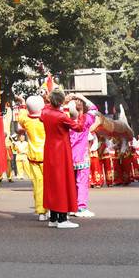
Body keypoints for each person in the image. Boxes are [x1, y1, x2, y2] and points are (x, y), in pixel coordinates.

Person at [40, 89, 87, 229]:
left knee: (53, 183)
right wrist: (81, 112)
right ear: (60, 102)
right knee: (62, 183)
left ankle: (53, 217)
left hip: (49, 150)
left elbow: (46, 107)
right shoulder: (61, 116)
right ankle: (62, 219)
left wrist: (61, 101)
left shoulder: (45, 113)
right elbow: (79, 127)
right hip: (61, 151)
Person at [67, 93, 99, 218]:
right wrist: (81, 97)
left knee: (70, 183)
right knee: (82, 182)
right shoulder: (85, 120)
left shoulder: (64, 121)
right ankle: (81, 207)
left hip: (69, 158)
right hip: (82, 158)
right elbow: (94, 109)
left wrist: (65, 102)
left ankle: (71, 206)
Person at [19, 96, 47, 220]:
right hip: (47, 156)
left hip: (33, 156)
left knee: (37, 184)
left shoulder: (26, 120)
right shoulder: (46, 120)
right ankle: (52, 209)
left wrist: (22, 103)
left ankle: (41, 211)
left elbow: (21, 114)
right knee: (50, 184)